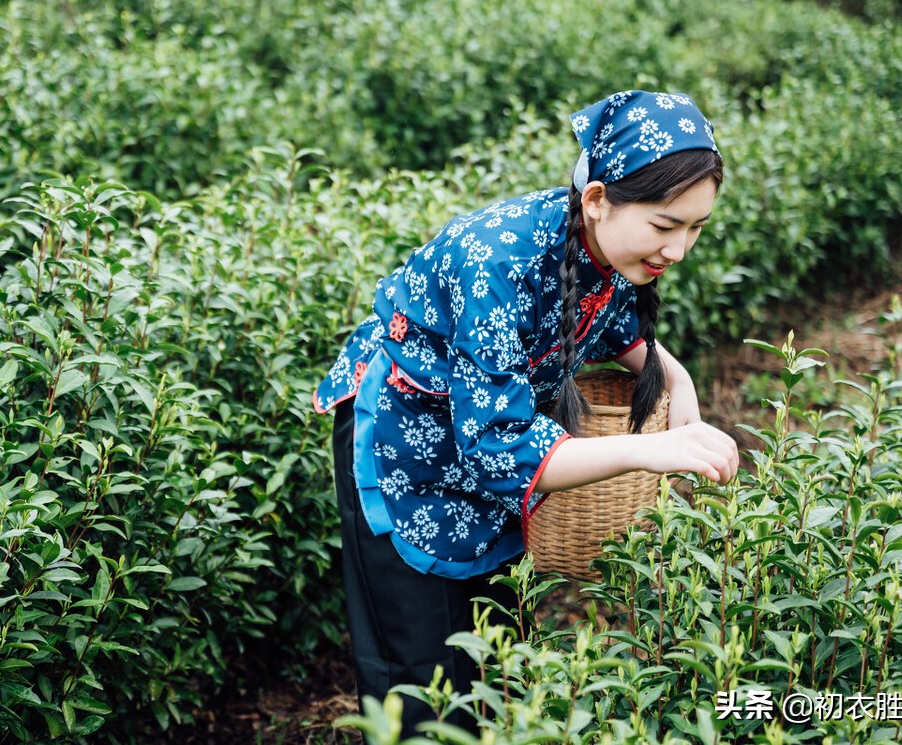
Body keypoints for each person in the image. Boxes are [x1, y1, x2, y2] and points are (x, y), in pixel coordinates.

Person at [313, 90, 741, 734]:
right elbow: (499, 447)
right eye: (664, 226)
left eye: (695, 228)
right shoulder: (497, 258)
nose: (678, 250)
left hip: (481, 437)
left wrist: (671, 373)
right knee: (419, 669)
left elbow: (609, 319)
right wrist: (645, 450)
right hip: (406, 438)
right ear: (598, 199)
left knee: (492, 651)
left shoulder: (594, 241)